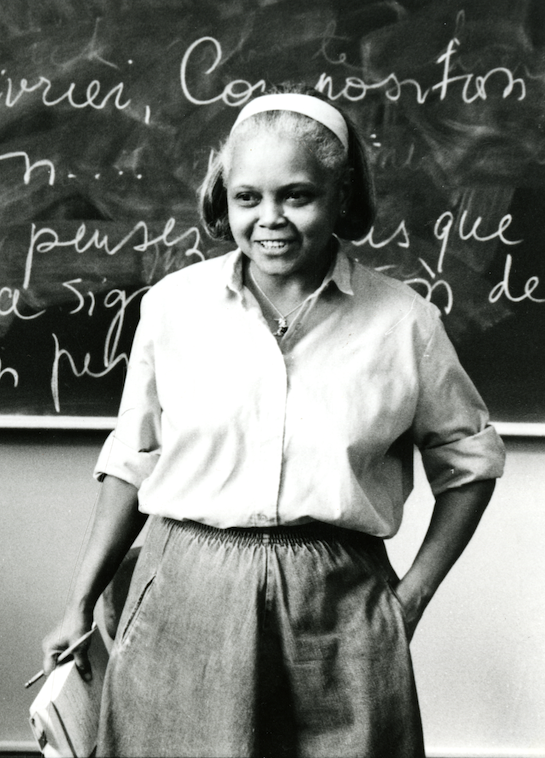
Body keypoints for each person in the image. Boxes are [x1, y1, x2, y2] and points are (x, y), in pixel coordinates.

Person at [42, 83, 505, 758]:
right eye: (247, 198)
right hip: (181, 597)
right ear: (222, 198)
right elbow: (133, 460)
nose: (270, 219)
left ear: (340, 195)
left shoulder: (404, 322)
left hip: (338, 609)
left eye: (297, 195)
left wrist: (408, 600)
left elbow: (469, 462)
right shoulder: (175, 307)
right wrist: (79, 603)